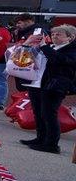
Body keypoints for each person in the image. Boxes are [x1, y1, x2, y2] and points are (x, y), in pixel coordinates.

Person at [19, 25, 76, 154]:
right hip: (40, 84)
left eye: (59, 34)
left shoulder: (71, 50)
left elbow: (59, 60)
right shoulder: (51, 48)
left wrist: (44, 47)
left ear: (70, 37)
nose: (54, 36)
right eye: (53, 34)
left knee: (49, 114)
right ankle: (40, 138)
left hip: (55, 86)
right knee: (39, 113)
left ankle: (51, 144)